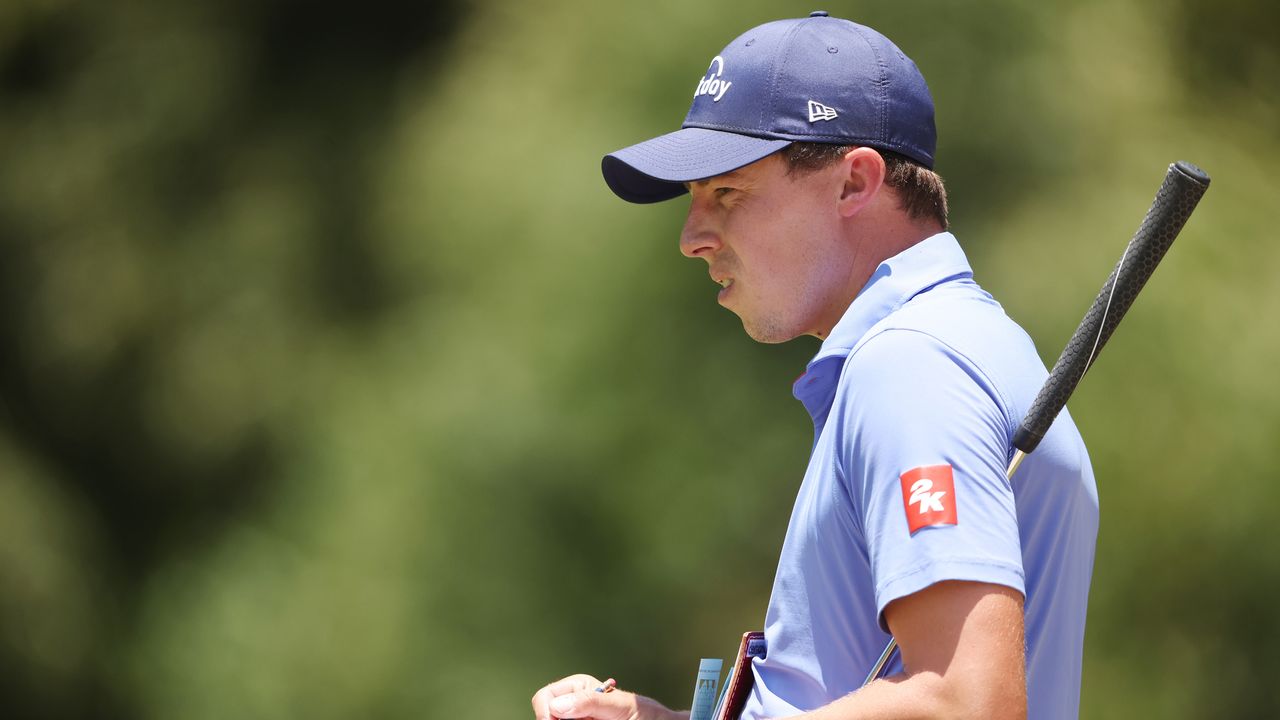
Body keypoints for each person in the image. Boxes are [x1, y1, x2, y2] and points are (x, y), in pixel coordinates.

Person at [532, 12, 1098, 720]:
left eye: (727, 192)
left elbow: (966, 702)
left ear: (853, 182)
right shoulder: (959, 343)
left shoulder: (912, 366)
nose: (691, 238)